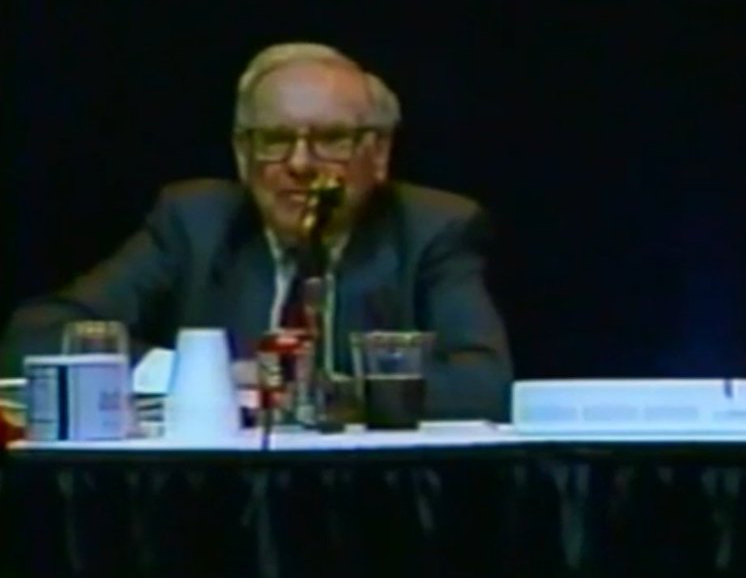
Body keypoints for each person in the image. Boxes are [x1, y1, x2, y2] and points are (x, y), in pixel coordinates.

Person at [2, 42, 513, 420]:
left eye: (331, 139)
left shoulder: (432, 228)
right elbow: (34, 336)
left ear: (378, 154)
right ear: (242, 155)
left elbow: (483, 386)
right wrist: (197, 376)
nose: (300, 164)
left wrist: (325, 395)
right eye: (274, 140)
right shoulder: (195, 223)